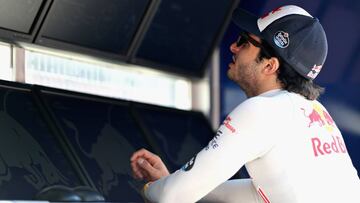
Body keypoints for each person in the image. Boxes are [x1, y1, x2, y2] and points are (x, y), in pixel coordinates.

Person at [130, 5, 360, 203]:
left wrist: (153, 189)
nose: (233, 47)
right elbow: (259, 193)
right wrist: (177, 181)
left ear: (270, 66)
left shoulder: (262, 110)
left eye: (244, 42)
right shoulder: (316, 112)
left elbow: (170, 197)